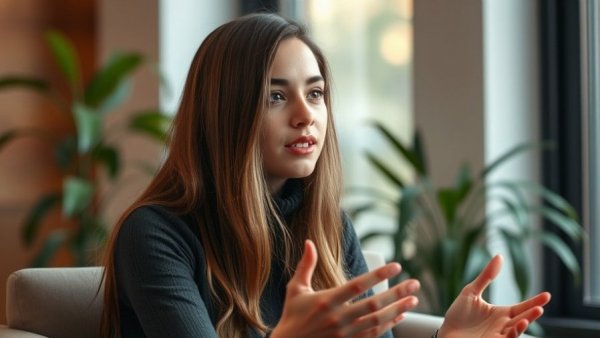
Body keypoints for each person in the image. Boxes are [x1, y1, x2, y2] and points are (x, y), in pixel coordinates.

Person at [100, 13, 550, 338]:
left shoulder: (329, 226)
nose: (305, 116)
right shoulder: (156, 234)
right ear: (224, 114)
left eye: (315, 94)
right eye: (275, 97)